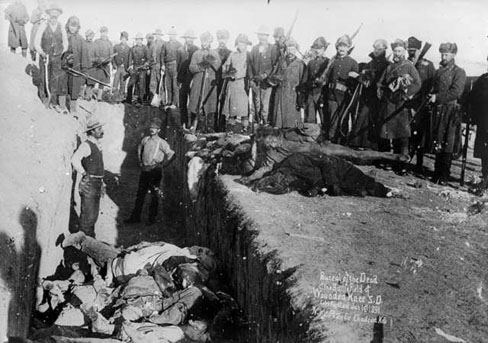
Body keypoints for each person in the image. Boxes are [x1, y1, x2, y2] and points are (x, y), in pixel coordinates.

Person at [377, 39, 421, 174]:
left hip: (401, 106)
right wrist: (381, 91)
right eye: (395, 51)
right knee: (386, 134)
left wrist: (406, 95)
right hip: (389, 104)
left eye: (400, 51)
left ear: (404, 52)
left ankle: (402, 164)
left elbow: (417, 84)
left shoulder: (409, 66)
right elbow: (380, 83)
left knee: (401, 135)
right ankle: (387, 160)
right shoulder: (389, 67)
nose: (397, 53)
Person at [125, 118, 175, 225]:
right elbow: (139, 148)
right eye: (151, 127)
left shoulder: (161, 142)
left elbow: (171, 154)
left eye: (155, 128)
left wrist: (163, 164)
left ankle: (151, 219)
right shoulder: (145, 140)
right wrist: (140, 161)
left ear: (159, 130)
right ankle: (135, 217)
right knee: (140, 195)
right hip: (145, 171)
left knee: (154, 195)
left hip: (155, 171)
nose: (152, 129)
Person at [429, 42, 466, 185]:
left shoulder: (459, 72)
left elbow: (456, 92)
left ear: (453, 55)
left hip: (450, 111)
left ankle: (444, 174)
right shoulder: (439, 71)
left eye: (446, 54)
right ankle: (436, 172)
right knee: (438, 140)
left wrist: (437, 97)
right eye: (442, 54)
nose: (443, 57)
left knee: (448, 142)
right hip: (438, 110)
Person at [348, 39, 390, 149]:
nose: (377, 51)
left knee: (375, 120)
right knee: (363, 117)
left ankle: (374, 146)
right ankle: (357, 143)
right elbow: (364, 76)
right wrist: (361, 76)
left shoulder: (387, 65)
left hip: (378, 98)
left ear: (385, 50)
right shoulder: (370, 63)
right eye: (375, 48)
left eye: (380, 49)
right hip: (367, 96)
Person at [71, 117, 106, 237]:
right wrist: (84, 173)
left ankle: (91, 243)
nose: (102, 131)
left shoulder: (97, 144)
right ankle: (83, 248)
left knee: (93, 216)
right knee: (87, 219)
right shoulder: (86, 146)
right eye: (99, 129)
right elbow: (75, 160)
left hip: (97, 183)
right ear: (92, 131)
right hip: (90, 184)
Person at [407, 36, 436, 174]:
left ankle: (418, 164)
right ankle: (404, 160)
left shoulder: (427, 65)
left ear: (419, 50)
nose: (412, 53)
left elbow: (432, 84)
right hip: (406, 103)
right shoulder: (405, 63)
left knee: (419, 136)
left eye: (414, 50)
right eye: (410, 50)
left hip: (421, 104)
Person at [324, 34, 359, 143]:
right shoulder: (332, 61)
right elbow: (326, 78)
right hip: (331, 97)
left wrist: (354, 78)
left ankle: (341, 144)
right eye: (340, 46)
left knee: (343, 121)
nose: (342, 49)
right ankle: (330, 142)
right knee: (330, 121)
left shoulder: (353, 63)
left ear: (349, 48)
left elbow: (356, 85)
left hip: (344, 98)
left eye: (345, 46)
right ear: (337, 47)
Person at [34, 3, 69, 111]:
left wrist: (60, 52)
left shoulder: (61, 27)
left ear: (58, 16)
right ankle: (44, 98)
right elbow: (36, 42)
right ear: (49, 15)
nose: (54, 18)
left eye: (56, 16)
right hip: (45, 56)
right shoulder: (43, 25)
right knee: (44, 77)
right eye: (52, 16)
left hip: (56, 57)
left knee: (55, 79)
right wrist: (42, 52)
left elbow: (66, 43)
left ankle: (53, 102)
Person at [188, 32, 222, 133]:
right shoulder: (196, 53)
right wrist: (201, 67)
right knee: (198, 103)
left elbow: (219, 67)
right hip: (199, 82)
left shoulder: (215, 53)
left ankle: (210, 126)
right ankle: (200, 126)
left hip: (210, 83)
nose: (204, 43)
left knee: (210, 104)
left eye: (206, 41)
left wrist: (212, 63)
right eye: (203, 41)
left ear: (210, 42)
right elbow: (191, 67)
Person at [272, 38, 307, 129]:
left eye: (293, 49)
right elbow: (273, 75)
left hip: (293, 94)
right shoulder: (281, 61)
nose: (290, 51)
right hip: (281, 92)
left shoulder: (300, 64)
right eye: (289, 49)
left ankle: (294, 132)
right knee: (279, 119)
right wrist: (276, 78)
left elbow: (303, 80)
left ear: (296, 50)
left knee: (292, 120)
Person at [221, 34, 252, 133]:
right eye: (239, 44)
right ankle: (230, 129)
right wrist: (226, 70)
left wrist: (238, 75)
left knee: (243, 109)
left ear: (246, 45)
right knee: (232, 108)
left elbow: (247, 69)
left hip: (242, 83)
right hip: (232, 84)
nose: (241, 46)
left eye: (243, 44)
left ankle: (245, 128)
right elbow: (225, 65)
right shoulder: (232, 54)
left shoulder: (248, 55)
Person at [248, 25, 278, 126]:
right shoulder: (254, 49)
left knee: (265, 104)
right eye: (260, 35)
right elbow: (250, 64)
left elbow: (275, 65)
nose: (262, 37)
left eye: (264, 35)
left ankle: (265, 123)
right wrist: (251, 79)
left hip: (266, 82)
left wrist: (266, 74)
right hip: (256, 81)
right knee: (255, 103)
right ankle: (255, 123)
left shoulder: (272, 49)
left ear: (267, 36)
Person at [468, 57, 488, 192]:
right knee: (483, 152)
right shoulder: (483, 79)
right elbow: (472, 97)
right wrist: (472, 117)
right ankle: (485, 178)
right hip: (483, 121)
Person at [64, 15, 90, 116]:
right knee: (64, 87)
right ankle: (63, 106)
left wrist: (84, 69)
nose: (72, 28)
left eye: (75, 26)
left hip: (76, 68)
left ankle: (73, 109)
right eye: (71, 25)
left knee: (74, 88)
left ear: (78, 27)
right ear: (68, 25)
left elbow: (84, 55)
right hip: (64, 67)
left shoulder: (80, 39)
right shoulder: (64, 36)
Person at [301, 37, 329, 125]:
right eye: (315, 48)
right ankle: (309, 136)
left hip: (322, 94)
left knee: (324, 117)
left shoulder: (328, 62)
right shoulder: (311, 63)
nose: (317, 51)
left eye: (320, 48)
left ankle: (324, 137)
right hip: (311, 94)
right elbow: (305, 80)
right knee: (309, 118)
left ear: (324, 49)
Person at [177, 29, 199, 128]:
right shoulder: (181, 51)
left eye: (191, 38)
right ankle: (184, 122)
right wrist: (179, 81)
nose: (189, 40)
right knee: (183, 102)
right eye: (187, 38)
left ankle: (194, 124)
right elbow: (179, 68)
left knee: (194, 103)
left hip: (194, 83)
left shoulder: (197, 53)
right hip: (184, 82)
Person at [161, 27, 182, 108]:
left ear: (175, 35)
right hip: (167, 66)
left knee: (175, 85)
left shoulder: (179, 45)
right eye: (170, 35)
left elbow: (181, 57)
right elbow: (162, 55)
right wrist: (163, 64)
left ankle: (174, 102)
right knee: (168, 85)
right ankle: (169, 101)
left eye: (173, 35)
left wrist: (178, 68)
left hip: (175, 66)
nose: (171, 36)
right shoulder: (165, 45)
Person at [127, 32, 149, 105]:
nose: (138, 41)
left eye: (139, 39)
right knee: (130, 84)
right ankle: (128, 100)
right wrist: (130, 66)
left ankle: (140, 101)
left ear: (141, 40)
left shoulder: (145, 48)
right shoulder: (132, 48)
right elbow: (130, 58)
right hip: (135, 68)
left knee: (141, 86)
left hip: (142, 69)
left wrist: (146, 64)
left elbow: (148, 59)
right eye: (137, 39)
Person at [94, 26, 113, 101]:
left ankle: (99, 96)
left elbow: (111, 55)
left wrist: (107, 61)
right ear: (100, 33)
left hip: (105, 65)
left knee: (102, 81)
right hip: (97, 64)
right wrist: (98, 60)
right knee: (94, 79)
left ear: (107, 33)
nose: (103, 34)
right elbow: (95, 52)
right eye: (102, 32)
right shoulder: (96, 41)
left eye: (105, 32)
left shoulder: (109, 43)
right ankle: (88, 94)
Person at [112, 31, 131, 102]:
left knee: (123, 83)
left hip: (125, 69)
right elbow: (112, 57)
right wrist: (114, 65)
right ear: (120, 39)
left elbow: (130, 59)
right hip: (117, 67)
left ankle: (121, 97)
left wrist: (128, 68)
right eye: (122, 38)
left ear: (127, 39)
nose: (123, 40)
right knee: (115, 82)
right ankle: (114, 96)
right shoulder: (116, 47)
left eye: (125, 39)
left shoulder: (129, 49)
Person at [149, 28, 165, 103]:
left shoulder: (163, 44)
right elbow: (149, 56)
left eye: (159, 35)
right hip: (153, 65)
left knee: (160, 82)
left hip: (160, 65)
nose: (157, 36)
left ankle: (161, 100)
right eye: (156, 35)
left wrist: (163, 65)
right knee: (152, 82)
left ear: (160, 35)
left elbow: (164, 55)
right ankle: (152, 99)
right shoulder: (152, 44)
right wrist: (149, 67)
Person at [84, 29, 97, 101]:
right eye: (89, 36)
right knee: (82, 81)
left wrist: (93, 60)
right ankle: (80, 95)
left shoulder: (95, 45)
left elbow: (97, 56)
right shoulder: (83, 44)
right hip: (84, 65)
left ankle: (88, 95)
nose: (90, 37)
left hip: (92, 66)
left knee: (90, 82)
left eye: (92, 36)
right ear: (86, 36)